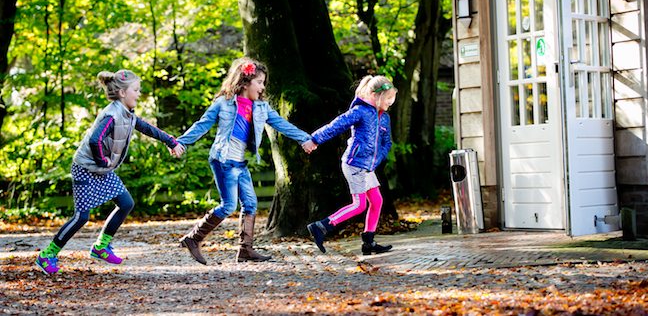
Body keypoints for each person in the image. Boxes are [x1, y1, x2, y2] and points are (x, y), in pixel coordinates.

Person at [35, 69, 185, 275]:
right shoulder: (112, 114)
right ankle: (47, 255)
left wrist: (170, 141)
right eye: (136, 90)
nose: (139, 94)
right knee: (81, 217)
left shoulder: (128, 114)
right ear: (122, 93)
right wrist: (102, 160)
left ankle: (100, 246)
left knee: (126, 203)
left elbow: (148, 128)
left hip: (102, 169)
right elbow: (94, 140)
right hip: (86, 168)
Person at [176, 57, 311, 264]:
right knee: (229, 205)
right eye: (260, 82)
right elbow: (201, 125)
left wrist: (306, 139)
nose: (263, 86)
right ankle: (193, 238)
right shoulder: (223, 103)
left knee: (250, 204)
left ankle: (245, 249)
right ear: (245, 82)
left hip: (239, 163)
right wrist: (180, 142)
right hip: (222, 160)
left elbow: (283, 125)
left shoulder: (262, 108)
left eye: (263, 82)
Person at [303, 75, 396, 256]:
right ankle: (321, 227)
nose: (391, 102)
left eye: (393, 99)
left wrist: (377, 159)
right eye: (388, 98)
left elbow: (387, 143)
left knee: (377, 201)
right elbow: (336, 125)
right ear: (375, 96)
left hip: (368, 166)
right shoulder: (360, 111)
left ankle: (368, 243)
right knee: (359, 205)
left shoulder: (385, 119)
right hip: (354, 163)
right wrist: (314, 139)